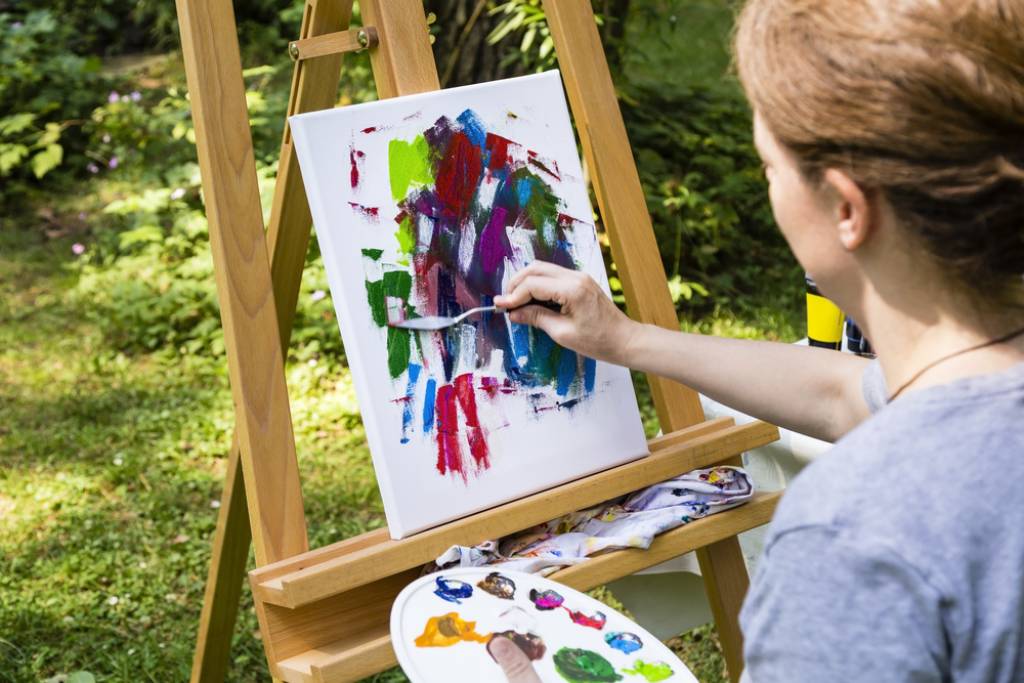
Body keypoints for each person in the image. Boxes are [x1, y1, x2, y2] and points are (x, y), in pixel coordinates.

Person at [489, 0, 1024, 680]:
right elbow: (842, 394)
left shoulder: (851, 536)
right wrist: (624, 338)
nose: (769, 187)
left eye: (771, 167)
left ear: (846, 208)